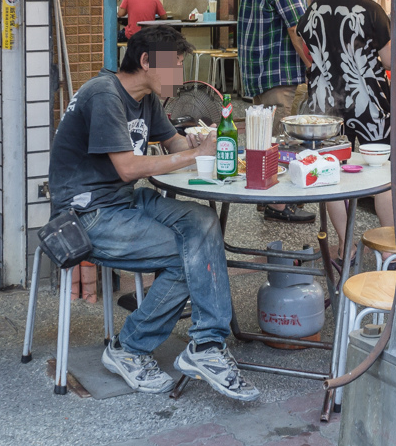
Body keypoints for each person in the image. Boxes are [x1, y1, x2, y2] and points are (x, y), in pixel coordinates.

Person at [47, 25, 260, 401]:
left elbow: (173, 143)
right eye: (174, 65)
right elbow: (128, 168)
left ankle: (207, 346)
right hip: (86, 215)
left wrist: (199, 142)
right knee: (188, 254)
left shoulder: (145, 98)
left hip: (123, 202)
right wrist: (196, 155)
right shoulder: (105, 94)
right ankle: (129, 348)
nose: (179, 76)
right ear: (146, 61)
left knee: (202, 222)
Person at [294, 0, 394, 263]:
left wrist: (318, 68)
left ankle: (345, 244)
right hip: (370, 104)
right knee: (383, 178)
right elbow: (389, 60)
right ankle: (392, 248)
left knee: (328, 170)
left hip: (324, 102)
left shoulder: (316, 6)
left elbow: (301, 37)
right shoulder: (372, 10)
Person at [237, 0, 314, 224]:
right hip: (278, 72)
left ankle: (266, 197)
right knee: (277, 138)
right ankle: (277, 205)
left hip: (257, 72)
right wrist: (313, 64)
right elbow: (298, 30)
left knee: (263, 136)